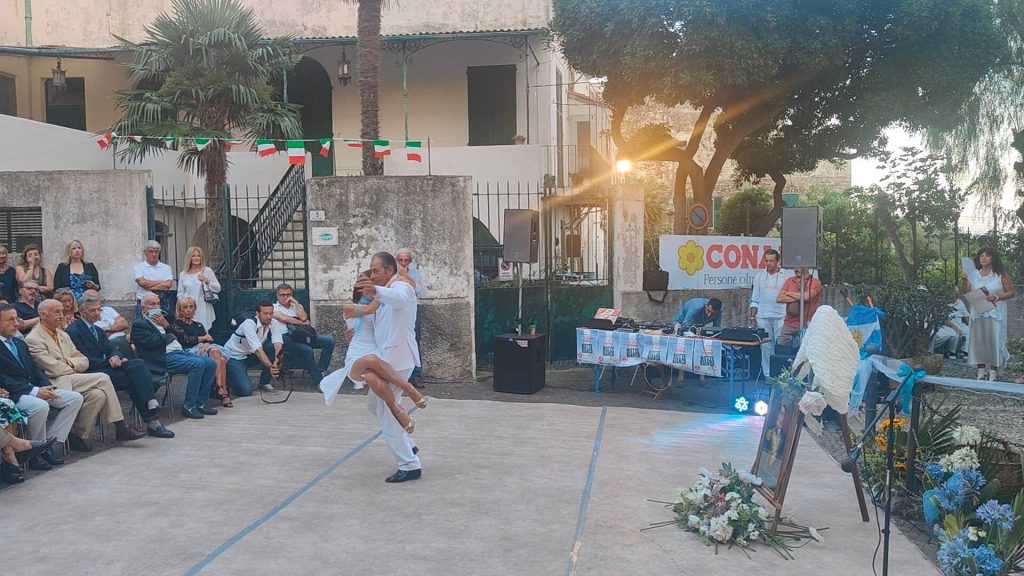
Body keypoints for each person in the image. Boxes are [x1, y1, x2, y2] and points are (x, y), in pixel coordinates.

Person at [25, 299, 145, 452]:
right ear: (43, 315)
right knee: (103, 378)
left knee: (98, 395)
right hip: (53, 382)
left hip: (73, 377)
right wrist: (73, 363)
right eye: (57, 312)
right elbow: (53, 368)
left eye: (62, 311)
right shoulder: (33, 339)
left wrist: (67, 362)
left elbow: (84, 360)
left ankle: (76, 435)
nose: (61, 315)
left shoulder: (62, 335)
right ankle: (120, 426)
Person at [331, 272, 427, 433]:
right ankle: (409, 388)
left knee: (372, 381)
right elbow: (370, 309)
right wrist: (388, 284)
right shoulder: (350, 307)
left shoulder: (383, 308)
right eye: (367, 286)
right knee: (370, 359)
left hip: (378, 356)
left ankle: (398, 411)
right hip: (357, 359)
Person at [356, 251, 423, 483]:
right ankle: (409, 445)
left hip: (399, 359)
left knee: (387, 411)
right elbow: (378, 323)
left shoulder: (400, 287)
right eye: (371, 271)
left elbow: (400, 298)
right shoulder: (383, 294)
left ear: (389, 270)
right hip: (387, 359)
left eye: (376, 271)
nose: (373, 275)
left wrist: (375, 290)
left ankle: (409, 464)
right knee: (373, 405)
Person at [67, 293, 174, 438]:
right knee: (132, 379)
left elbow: (111, 348)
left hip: (107, 367)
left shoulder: (97, 329)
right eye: (92, 310)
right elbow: (84, 360)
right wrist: (110, 361)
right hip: (91, 372)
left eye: (98, 309)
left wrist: (115, 356)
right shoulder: (73, 331)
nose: (97, 313)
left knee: (138, 364)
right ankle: (151, 420)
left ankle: (150, 404)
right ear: (81, 311)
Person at [0, 302, 82, 468]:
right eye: (10, 320)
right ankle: (35, 454)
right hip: (15, 393)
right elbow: (3, 378)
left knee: (75, 399)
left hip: (34, 388)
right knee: (40, 406)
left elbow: (35, 368)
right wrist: (35, 391)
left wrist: (47, 386)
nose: (16, 323)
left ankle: (49, 443)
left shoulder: (19, 343)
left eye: (16, 319)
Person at [132, 293, 218, 419]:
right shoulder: (140, 324)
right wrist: (169, 336)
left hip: (179, 352)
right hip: (162, 357)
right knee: (198, 364)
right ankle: (189, 406)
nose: (156, 307)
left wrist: (166, 326)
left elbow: (178, 336)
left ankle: (201, 403)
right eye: (152, 304)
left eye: (158, 303)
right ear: (143, 307)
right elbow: (153, 342)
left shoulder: (162, 320)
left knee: (211, 363)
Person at [961, 247, 1015, 381]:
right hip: (978, 311)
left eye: (987, 256)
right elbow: (966, 291)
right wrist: (965, 280)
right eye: (981, 256)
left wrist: (996, 296)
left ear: (993, 258)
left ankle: (993, 372)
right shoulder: (974, 274)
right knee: (979, 340)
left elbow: (1011, 292)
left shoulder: (1000, 274)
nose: (984, 258)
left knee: (994, 340)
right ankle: (980, 371)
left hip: (995, 312)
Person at [173, 296, 232, 407]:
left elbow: (209, 339)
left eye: (191, 307)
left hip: (203, 348)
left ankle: (220, 388)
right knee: (219, 357)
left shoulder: (198, 324)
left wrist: (205, 344)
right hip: (188, 351)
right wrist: (203, 338)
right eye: (185, 307)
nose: (188, 310)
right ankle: (223, 393)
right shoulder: (177, 324)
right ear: (179, 309)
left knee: (219, 356)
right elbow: (185, 339)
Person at [272, 283, 334, 386]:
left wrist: (296, 303)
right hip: (286, 338)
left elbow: (304, 318)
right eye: (282, 295)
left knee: (329, 341)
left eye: (288, 294)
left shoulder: (297, 306)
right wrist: (301, 323)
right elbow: (284, 318)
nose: (286, 297)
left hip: (301, 336)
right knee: (308, 350)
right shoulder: (273, 308)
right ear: (277, 296)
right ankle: (319, 382)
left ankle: (320, 370)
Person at [221, 300, 285, 397]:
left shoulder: (273, 322)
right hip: (235, 357)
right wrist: (271, 368)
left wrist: (277, 362)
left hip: (250, 354)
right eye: (265, 313)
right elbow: (258, 350)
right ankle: (228, 377)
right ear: (257, 313)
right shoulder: (249, 324)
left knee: (270, 348)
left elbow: (278, 344)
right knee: (245, 390)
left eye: (271, 313)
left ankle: (264, 383)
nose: (269, 316)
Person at [749, 249, 789, 378]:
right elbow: (755, 299)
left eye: (771, 261)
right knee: (766, 348)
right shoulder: (759, 276)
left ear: (778, 261)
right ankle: (768, 376)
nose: (768, 263)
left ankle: (781, 376)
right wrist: (752, 318)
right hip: (763, 317)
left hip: (781, 316)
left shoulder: (786, 276)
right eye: (766, 261)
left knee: (781, 347)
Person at [396, 249, 426, 387]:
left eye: (406, 260)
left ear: (410, 261)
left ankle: (416, 375)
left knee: (413, 340)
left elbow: (418, 290)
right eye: (400, 260)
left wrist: (405, 276)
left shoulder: (414, 273)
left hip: (412, 310)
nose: (403, 263)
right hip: (396, 310)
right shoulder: (390, 272)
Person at [176, 246, 220, 330]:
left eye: (198, 256)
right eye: (193, 256)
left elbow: (218, 288)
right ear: (189, 257)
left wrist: (207, 280)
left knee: (203, 328)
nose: (196, 258)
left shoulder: (207, 271)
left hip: (202, 305)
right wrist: (182, 306)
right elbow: (180, 293)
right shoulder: (183, 274)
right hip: (188, 306)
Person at [776, 267, 822, 348]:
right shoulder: (789, 281)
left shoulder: (815, 282)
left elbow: (807, 296)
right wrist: (799, 296)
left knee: (806, 350)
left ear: (807, 267)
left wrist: (788, 293)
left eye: (799, 267)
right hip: (789, 324)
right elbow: (779, 298)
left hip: (807, 325)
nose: (796, 270)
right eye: (795, 267)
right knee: (781, 349)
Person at [133, 240, 174, 318]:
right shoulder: (138, 267)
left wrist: (148, 285)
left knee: (163, 324)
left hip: (162, 303)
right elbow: (142, 283)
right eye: (151, 251)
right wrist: (161, 283)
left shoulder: (166, 268)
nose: (154, 254)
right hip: (143, 304)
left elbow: (168, 285)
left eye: (156, 252)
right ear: (145, 252)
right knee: (142, 324)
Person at [86, 289, 132, 358]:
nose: (95, 301)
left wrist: (108, 329)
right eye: (91, 299)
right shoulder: (87, 316)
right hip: (110, 342)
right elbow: (99, 335)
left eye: (96, 298)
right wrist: (116, 327)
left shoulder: (108, 309)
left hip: (123, 337)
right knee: (121, 343)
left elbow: (124, 324)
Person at [931, 287, 969, 359]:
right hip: (948, 325)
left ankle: (964, 351)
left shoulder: (960, 302)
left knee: (969, 331)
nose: (953, 295)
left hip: (960, 324)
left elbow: (966, 315)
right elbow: (944, 319)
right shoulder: (943, 303)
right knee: (955, 334)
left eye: (955, 293)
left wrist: (971, 324)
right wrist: (955, 328)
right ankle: (951, 352)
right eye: (952, 293)